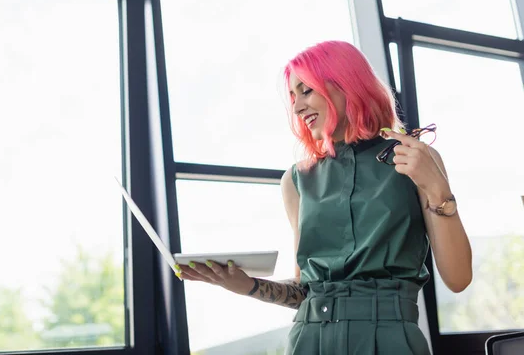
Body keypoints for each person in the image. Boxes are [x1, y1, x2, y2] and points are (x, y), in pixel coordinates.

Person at [177, 40, 472, 354]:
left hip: (390, 340)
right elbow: (305, 290)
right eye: (293, 96)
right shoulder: (295, 181)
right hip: (308, 340)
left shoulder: (414, 159)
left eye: (306, 91)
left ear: (347, 85)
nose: (297, 106)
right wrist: (246, 285)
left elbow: (458, 278)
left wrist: (436, 190)